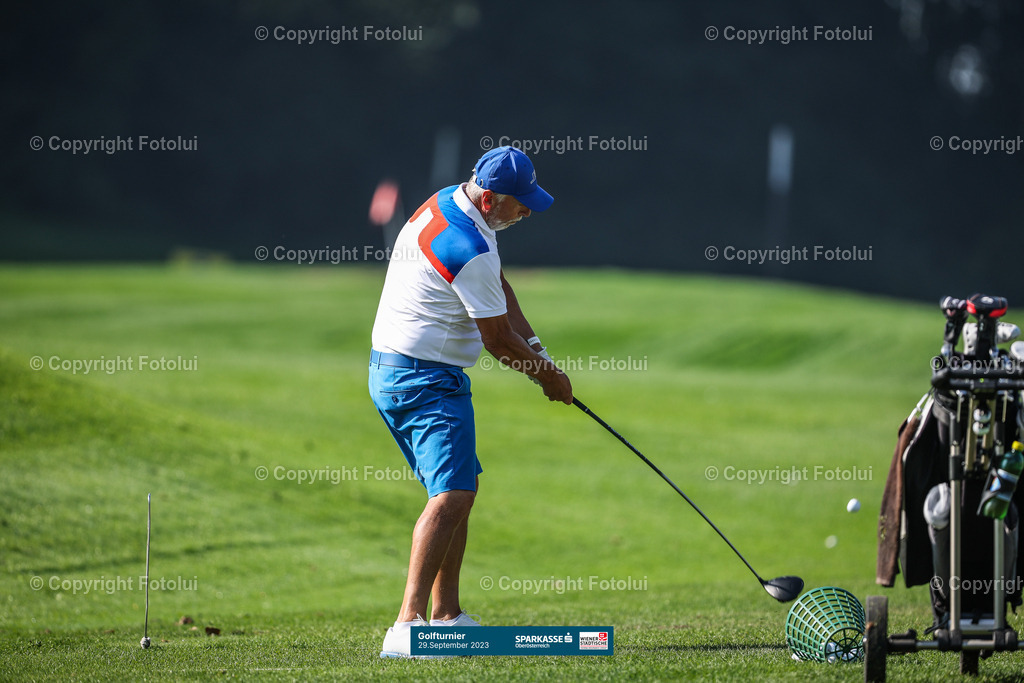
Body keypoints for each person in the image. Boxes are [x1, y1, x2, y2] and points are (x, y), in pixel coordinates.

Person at [369, 146, 573, 658]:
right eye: (518, 203)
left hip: (396, 370)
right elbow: (498, 339)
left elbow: (498, 289)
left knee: (459, 486)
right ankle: (408, 625)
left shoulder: (448, 203)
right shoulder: (468, 246)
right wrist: (548, 378)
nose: (526, 211)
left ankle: (447, 617)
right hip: (425, 379)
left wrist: (541, 350)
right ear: (488, 197)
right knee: (454, 495)